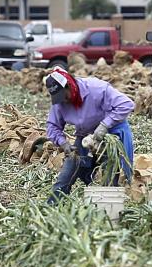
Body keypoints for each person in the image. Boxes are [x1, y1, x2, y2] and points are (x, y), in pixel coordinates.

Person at [44, 69, 135, 202]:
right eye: (59, 98)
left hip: (110, 136)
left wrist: (105, 125)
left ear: (69, 85)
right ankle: (50, 208)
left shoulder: (96, 89)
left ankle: (107, 212)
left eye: (65, 96)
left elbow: (127, 104)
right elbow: (52, 126)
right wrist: (63, 143)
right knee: (67, 173)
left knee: (108, 175)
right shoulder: (60, 102)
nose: (63, 100)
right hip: (85, 137)